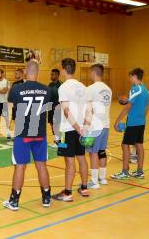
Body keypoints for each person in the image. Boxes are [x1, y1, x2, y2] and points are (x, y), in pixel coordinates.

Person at [3, 60, 51, 211]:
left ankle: (14, 201)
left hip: (23, 133)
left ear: (25, 71)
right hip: (40, 133)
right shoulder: (47, 90)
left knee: (20, 167)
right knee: (41, 166)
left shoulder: (17, 88)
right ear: (38, 72)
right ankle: (46, 198)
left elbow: (13, 104)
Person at [53, 58, 89, 201]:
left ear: (63, 70)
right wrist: (84, 127)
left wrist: (76, 127)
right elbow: (89, 110)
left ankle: (67, 193)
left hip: (68, 130)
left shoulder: (63, 87)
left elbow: (66, 110)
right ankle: (84, 188)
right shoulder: (83, 87)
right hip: (82, 130)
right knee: (81, 158)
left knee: (69, 161)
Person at [111, 68, 149, 179]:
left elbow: (129, 106)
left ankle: (125, 171)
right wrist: (141, 117)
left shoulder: (135, 88)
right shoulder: (145, 90)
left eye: (130, 76)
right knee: (139, 145)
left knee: (125, 145)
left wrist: (117, 120)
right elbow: (146, 107)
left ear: (134, 76)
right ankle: (139, 171)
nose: (129, 79)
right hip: (141, 122)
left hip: (133, 123)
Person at [85, 64, 112, 189]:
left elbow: (88, 110)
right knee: (101, 151)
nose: (90, 74)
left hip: (94, 127)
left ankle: (94, 181)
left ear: (94, 72)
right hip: (105, 125)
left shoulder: (90, 89)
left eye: (91, 72)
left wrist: (85, 125)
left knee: (93, 153)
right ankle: (102, 178)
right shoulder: (108, 89)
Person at [48, 69, 62, 144]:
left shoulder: (60, 85)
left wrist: (58, 105)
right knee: (51, 123)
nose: (51, 76)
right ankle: (56, 139)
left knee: (57, 124)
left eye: (53, 74)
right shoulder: (50, 84)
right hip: (50, 108)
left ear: (57, 75)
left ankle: (59, 140)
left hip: (58, 109)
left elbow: (63, 98)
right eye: (51, 74)